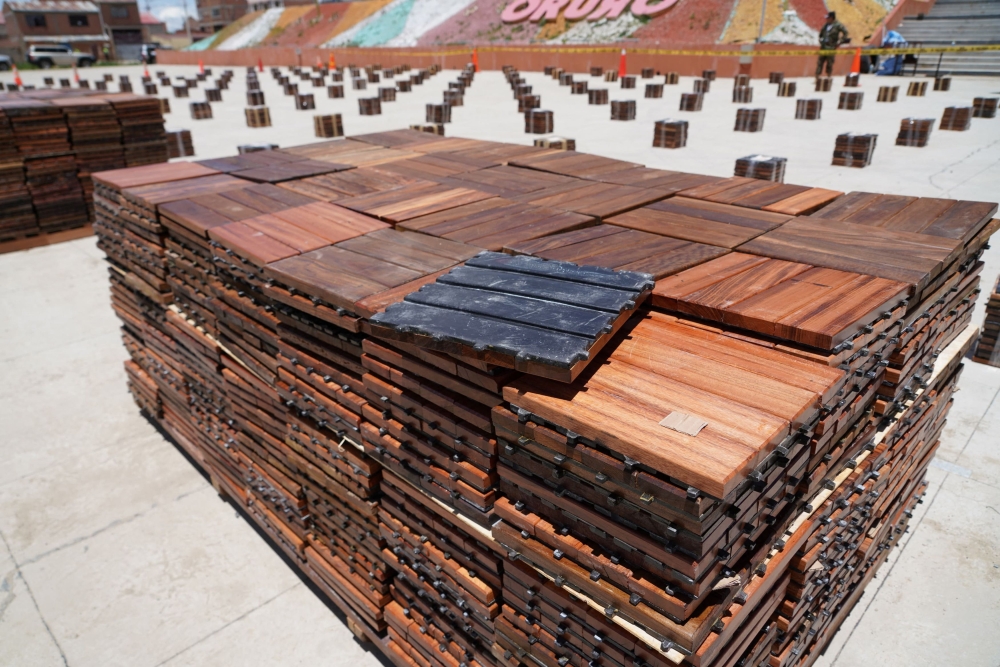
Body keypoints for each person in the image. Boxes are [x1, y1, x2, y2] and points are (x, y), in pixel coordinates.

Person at [816, 11, 850, 78]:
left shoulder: (838, 25)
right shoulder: (826, 25)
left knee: (830, 63)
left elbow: (846, 33)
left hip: (831, 47)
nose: (827, 19)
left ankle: (828, 76)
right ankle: (817, 77)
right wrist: (820, 39)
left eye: (828, 18)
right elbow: (821, 33)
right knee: (820, 62)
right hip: (823, 47)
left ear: (831, 18)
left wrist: (840, 41)